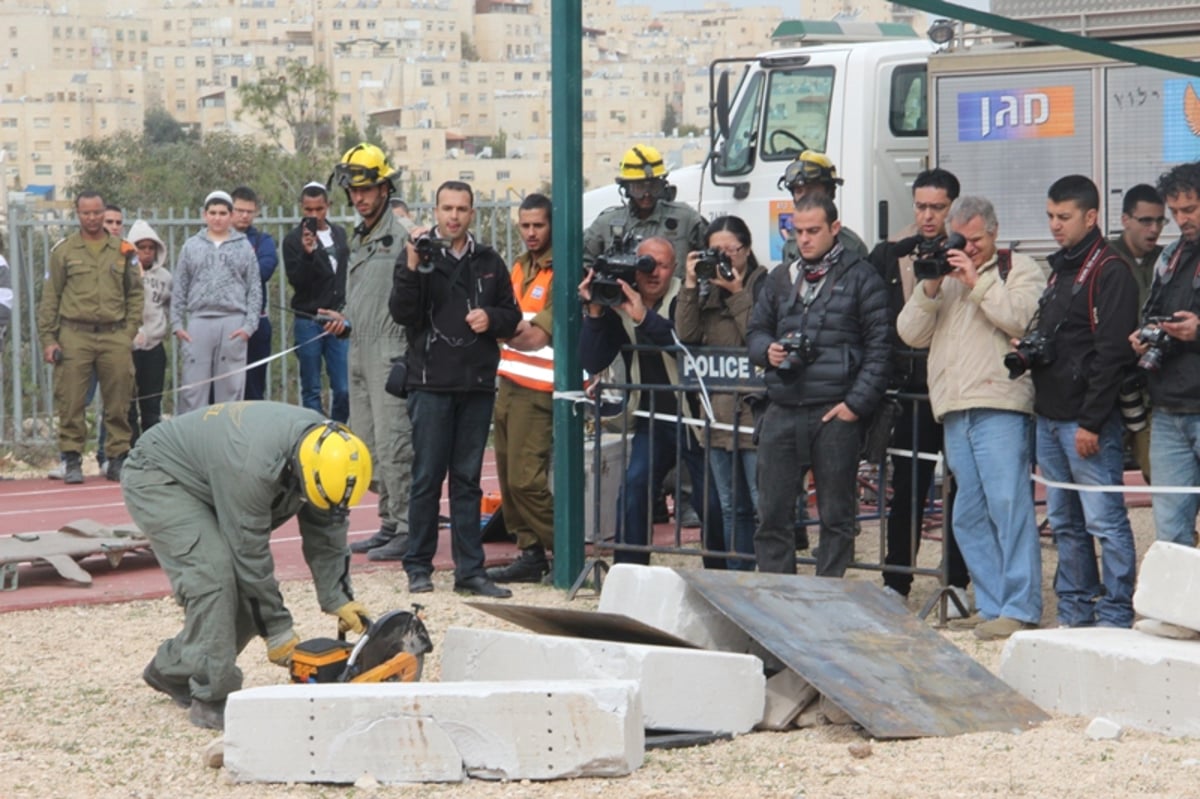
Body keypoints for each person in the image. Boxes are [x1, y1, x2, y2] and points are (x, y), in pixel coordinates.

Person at [121, 401, 374, 731]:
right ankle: (212, 697)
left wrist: (338, 596)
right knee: (214, 577)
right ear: (302, 470)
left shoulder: (333, 454)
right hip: (160, 474)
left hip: (216, 474)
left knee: (244, 589)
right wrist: (278, 629)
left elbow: (327, 530)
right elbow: (249, 558)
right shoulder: (252, 467)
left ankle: (173, 668)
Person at [896, 195, 1045, 640]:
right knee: (966, 514)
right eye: (962, 239)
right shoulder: (943, 275)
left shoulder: (1019, 268)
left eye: (976, 239)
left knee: (1009, 505)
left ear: (994, 232)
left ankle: (1021, 605)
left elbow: (1021, 320)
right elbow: (909, 333)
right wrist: (929, 286)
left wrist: (977, 279)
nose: (969, 248)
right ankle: (992, 602)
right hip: (954, 407)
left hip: (1001, 403)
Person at [746, 195, 890, 578]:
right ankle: (779, 597)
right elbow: (755, 331)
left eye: (813, 231)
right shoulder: (780, 277)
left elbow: (880, 348)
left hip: (834, 411)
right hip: (782, 405)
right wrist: (767, 351)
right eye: (799, 231)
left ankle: (828, 599)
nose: (804, 239)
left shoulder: (861, 276)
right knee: (772, 512)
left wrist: (854, 406)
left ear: (834, 229)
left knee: (836, 516)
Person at [390, 180, 521, 598]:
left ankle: (471, 571)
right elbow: (403, 313)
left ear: (472, 214)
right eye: (446, 208)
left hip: (476, 383)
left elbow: (512, 315)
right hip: (429, 383)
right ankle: (418, 566)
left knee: (467, 481)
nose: (453, 217)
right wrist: (412, 265)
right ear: (436, 210)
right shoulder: (420, 254)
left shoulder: (489, 260)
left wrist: (491, 318)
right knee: (427, 477)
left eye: (461, 209)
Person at [579, 236, 726, 568]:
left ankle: (719, 572)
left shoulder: (686, 295)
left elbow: (682, 342)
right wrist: (596, 312)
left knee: (711, 501)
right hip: (651, 417)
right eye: (645, 264)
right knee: (633, 489)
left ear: (673, 268)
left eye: (661, 265)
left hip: (695, 417)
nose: (653, 273)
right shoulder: (623, 298)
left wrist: (643, 316)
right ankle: (630, 571)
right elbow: (593, 358)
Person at [1033, 175, 1138, 630]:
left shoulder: (1110, 269)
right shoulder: (1061, 266)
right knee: (1064, 521)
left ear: (1091, 216)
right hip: (1050, 414)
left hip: (1086, 419)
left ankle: (1115, 611)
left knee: (1105, 521)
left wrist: (1092, 422)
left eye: (1064, 217)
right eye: (1051, 217)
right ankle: (1076, 609)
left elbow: (1112, 353)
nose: (1055, 226)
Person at [869, 168, 971, 612]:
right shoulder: (890, 253)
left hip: (955, 382)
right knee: (907, 491)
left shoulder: (967, 250)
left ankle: (958, 584)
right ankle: (897, 584)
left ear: (953, 207)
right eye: (921, 206)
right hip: (910, 388)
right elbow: (878, 321)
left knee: (961, 491)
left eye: (938, 207)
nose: (928, 216)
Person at [325, 144, 414, 562]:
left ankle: (410, 526)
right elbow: (363, 297)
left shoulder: (402, 238)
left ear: (384, 189)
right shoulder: (359, 238)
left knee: (396, 441)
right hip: (357, 349)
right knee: (368, 444)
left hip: (391, 351)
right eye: (354, 191)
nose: (359, 198)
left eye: (367, 190)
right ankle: (389, 523)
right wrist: (343, 318)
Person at [675, 215, 767, 571]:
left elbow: (759, 337)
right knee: (731, 505)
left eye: (732, 250)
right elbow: (686, 335)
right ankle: (738, 577)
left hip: (756, 411)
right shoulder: (705, 289)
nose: (725, 258)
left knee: (763, 504)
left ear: (746, 249)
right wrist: (689, 282)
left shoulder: (765, 284)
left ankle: (771, 576)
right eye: (717, 251)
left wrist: (738, 292)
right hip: (718, 413)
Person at [36, 191, 143, 484]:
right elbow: (50, 298)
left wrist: (129, 332)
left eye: (97, 212)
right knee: (71, 400)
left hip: (114, 335)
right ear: (78, 214)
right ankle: (71, 458)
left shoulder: (123, 250)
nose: (93, 218)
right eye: (86, 213)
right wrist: (49, 339)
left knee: (119, 400)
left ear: (103, 212)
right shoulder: (64, 251)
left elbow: (135, 294)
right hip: (74, 335)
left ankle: (117, 457)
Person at [486, 193, 557, 584]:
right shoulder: (519, 267)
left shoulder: (559, 270)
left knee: (526, 480)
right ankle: (530, 553)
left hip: (541, 387)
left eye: (538, 225)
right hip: (510, 381)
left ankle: (564, 547)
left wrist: (493, 323)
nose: (530, 233)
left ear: (551, 226)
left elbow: (533, 336)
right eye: (525, 225)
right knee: (508, 480)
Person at [1130, 163, 1200, 546]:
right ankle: (1179, 607)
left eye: (1189, 209)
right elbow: (1153, 313)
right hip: (1169, 408)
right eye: (1175, 211)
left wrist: (1197, 331)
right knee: (1170, 533)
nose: (1180, 219)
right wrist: (1146, 336)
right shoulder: (1170, 255)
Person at [170, 190, 261, 414]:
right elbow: (180, 286)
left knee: (230, 389)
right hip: (199, 321)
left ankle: (225, 442)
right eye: (213, 213)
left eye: (222, 213)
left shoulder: (243, 247)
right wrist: (177, 325)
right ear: (204, 215)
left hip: (233, 322)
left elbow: (255, 289)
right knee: (193, 389)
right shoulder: (191, 246)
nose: (217, 218)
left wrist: (248, 327)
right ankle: (191, 442)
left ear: (230, 216)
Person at [1110, 183, 1165, 483]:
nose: (1154, 228)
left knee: (1160, 474)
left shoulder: (1170, 259)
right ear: (1125, 220)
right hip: (1110, 387)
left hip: (1154, 387)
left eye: (1160, 220)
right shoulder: (1105, 259)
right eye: (1146, 220)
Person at [283, 181, 350, 423]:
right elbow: (297, 281)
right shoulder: (293, 240)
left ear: (328, 206)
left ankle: (339, 430)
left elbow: (343, 274)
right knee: (311, 387)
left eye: (319, 209)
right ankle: (315, 433)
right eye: (308, 210)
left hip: (337, 319)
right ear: (302, 208)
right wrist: (307, 254)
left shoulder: (340, 234)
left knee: (343, 387)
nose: (314, 215)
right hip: (308, 320)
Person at [584, 144, 705, 276]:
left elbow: (711, 253)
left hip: (677, 295)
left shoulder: (685, 219)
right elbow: (583, 262)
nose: (647, 194)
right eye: (639, 188)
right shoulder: (606, 224)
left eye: (653, 187)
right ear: (626, 189)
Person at [230, 186, 279, 402]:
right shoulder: (216, 240)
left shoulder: (263, 241)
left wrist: (227, 274)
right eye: (239, 210)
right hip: (225, 322)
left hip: (256, 324)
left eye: (249, 211)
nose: (244, 215)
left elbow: (265, 270)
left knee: (253, 388)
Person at [126, 220, 172, 446]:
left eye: (150, 248)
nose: (146, 252)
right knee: (128, 404)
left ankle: (152, 450)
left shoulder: (164, 277)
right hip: (128, 347)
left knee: (152, 404)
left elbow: (170, 306)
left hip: (154, 347)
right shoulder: (122, 273)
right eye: (140, 247)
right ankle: (132, 449)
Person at [779, 150, 869, 263]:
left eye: (811, 189)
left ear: (829, 192)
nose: (805, 197)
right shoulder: (791, 245)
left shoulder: (852, 247)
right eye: (799, 191)